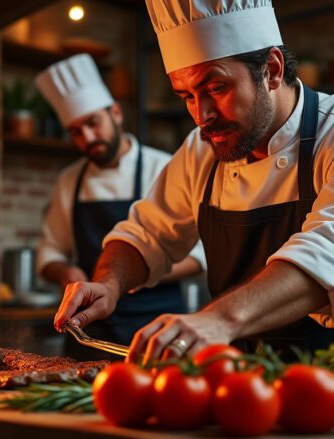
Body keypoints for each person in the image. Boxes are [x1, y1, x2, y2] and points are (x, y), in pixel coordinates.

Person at [53, 0, 334, 365]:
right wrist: (108, 283)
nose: (202, 116)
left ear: (272, 70)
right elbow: (147, 233)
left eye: (216, 88)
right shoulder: (202, 150)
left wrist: (217, 320)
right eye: (187, 97)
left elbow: (329, 258)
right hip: (246, 394)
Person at [34, 53, 206, 359]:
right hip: (88, 330)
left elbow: (198, 258)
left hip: (156, 326)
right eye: (76, 131)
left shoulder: (164, 167)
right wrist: (67, 272)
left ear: (115, 113)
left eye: (92, 123)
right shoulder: (69, 181)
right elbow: (49, 252)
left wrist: (131, 274)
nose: (87, 137)